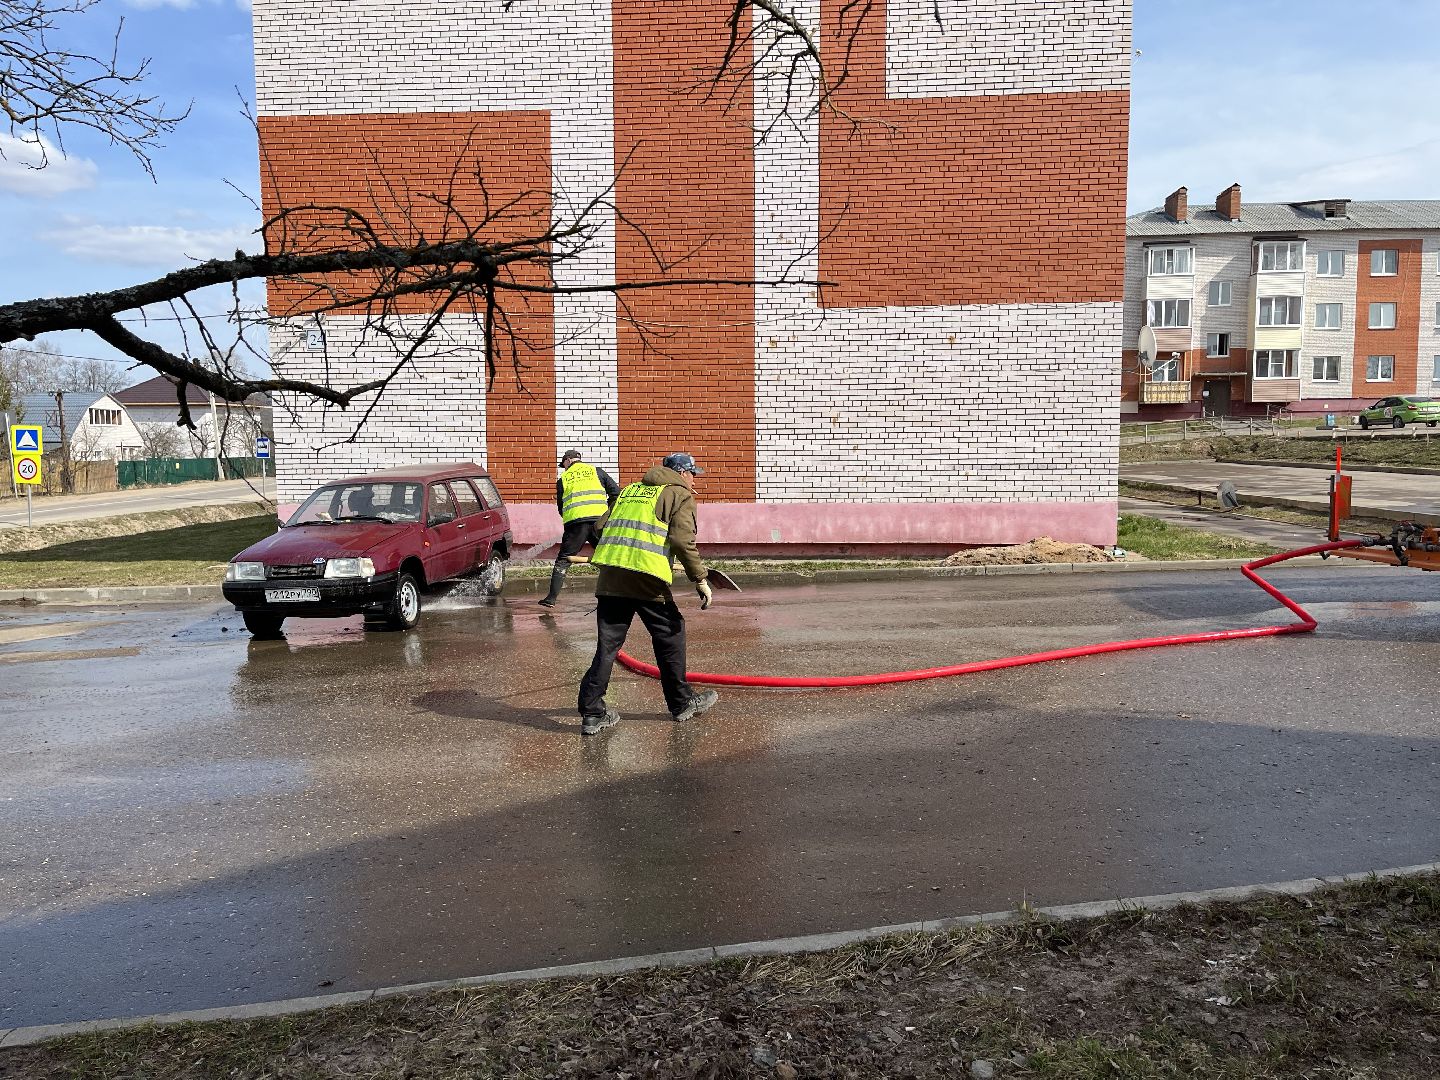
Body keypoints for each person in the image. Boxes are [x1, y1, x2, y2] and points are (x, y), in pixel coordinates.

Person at [577, 451, 720, 735]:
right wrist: (700, 578)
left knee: (608, 646)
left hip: (611, 576)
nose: (695, 481)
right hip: (645, 577)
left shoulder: (630, 491)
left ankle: (592, 713)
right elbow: (681, 540)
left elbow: (599, 527)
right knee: (670, 633)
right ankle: (681, 704)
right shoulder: (680, 496)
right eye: (693, 474)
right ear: (682, 473)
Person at [539, 450, 621, 607]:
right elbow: (616, 493)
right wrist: (608, 514)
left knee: (563, 560)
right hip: (600, 522)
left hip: (576, 525)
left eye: (563, 464)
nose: (564, 468)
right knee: (610, 557)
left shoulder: (563, 479)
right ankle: (621, 594)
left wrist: (570, 519)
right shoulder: (596, 471)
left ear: (568, 460)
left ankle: (551, 599)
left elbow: (561, 507)